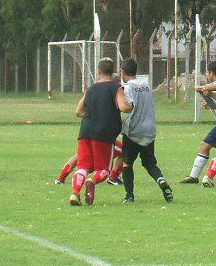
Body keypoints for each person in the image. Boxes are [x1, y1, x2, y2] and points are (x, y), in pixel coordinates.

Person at [69, 58, 129, 206]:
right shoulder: (116, 88)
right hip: (103, 133)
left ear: (99, 71)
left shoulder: (91, 89)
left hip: (85, 131)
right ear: (112, 71)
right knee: (103, 170)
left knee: (82, 166)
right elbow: (123, 107)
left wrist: (93, 116)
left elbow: (78, 111)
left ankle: (75, 193)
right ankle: (92, 181)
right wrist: (132, 105)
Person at [120, 58, 173, 203]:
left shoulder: (127, 88)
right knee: (149, 163)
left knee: (127, 163)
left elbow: (128, 106)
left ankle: (129, 195)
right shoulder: (146, 85)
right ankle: (161, 180)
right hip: (149, 129)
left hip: (133, 131)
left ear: (123, 72)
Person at [55, 141, 123, 185]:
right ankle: (113, 177)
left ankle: (61, 178)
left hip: (87, 132)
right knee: (125, 151)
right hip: (102, 136)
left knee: (81, 155)